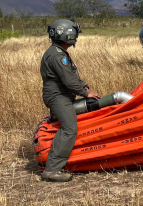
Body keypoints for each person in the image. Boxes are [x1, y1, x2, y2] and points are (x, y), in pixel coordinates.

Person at [39, 19, 100, 182]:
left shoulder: (58, 52)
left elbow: (72, 77)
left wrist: (85, 89)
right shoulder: (57, 55)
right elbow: (69, 81)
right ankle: (51, 170)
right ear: (68, 35)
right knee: (69, 128)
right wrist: (85, 93)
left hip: (62, 96)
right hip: (58, 97)